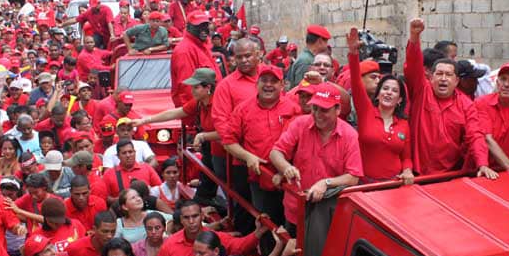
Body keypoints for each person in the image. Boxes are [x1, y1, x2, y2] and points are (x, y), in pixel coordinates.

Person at [403, 19, 496, 178]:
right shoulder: (422, 91)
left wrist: (482, 164)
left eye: (448, 75)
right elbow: (412, 65)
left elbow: (475, 134)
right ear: (430, 78)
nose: (443, 79)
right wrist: (414, 37)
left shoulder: (466, 104)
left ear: (456, 81)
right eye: (439, 74)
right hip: (416, 174)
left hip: (449, 176)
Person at [269, 83, 363, 235]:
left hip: (328, 212)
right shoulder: (300, 123)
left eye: (324, 110)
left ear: (338, 110)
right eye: (315, 108)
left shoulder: (349, 135)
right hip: (296, 207)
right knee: (293, 251)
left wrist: (325, 183)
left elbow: (353, 177)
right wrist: (286, 168)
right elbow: (275, 153)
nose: (318, 114)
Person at [222, 64, 298, 231]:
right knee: (266, 225)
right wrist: (248, 157)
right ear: (257, 84)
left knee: (290, 228)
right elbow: (228, 141)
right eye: (264, 80)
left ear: (283, 85)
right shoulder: (243, 109)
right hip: (260, 181)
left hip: (290, 180)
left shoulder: (293, 107)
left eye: (274, 81)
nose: (269, 85)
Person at [133, 68, 219, 205]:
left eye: (196, 87)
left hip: (224, 153)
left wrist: (203, 136)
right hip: (213, 151)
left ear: (208, 87)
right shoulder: (199, 102)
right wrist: (144, 120)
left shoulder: (219, 103)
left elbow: (227, 132)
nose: (192, 90)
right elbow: (174, 113)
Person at [346, 28, 413, 185]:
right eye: (385, 88)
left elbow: (407, 157)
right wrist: (354, 54)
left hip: (393, 185)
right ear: (378, 94)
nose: (389, 93)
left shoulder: (403, 124)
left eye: (394, 90)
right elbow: (356, 82)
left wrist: (408, 170)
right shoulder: (366, 112)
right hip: (364, 185)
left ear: (399, 99)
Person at [153, 200, 265, 256]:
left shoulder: (215, 237)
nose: (191, 221)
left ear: (202, 216)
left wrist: (258, 233)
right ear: (181, 220)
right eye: (187, 218)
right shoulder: (169, 246)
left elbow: (240, 246)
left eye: (195, 216)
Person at [170, 11, 222, 107]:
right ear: (189, 28)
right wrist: (195, 116)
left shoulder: (201, 46)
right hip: (199, 111)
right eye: (198, 27)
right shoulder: (184, 51)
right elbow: (187, 88)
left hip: (210, 107)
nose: (203, 30)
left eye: (205, 26)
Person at [102, 140, 163, 205]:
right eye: (124, 153)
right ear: (118, 156)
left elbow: (161, 190)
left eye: (130, 152)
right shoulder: (109, 174)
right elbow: (105, 197)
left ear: (135, 152)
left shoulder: (147, 168)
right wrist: (121, 200)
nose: (128, 155)